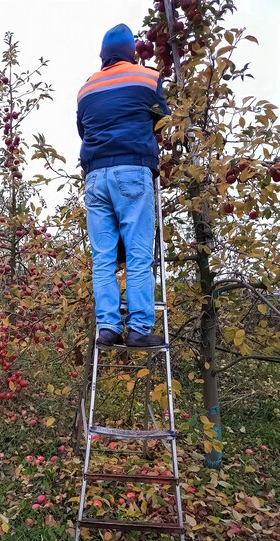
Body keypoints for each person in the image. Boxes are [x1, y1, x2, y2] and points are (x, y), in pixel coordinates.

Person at [77, 23, 170, 347]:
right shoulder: (147, 78)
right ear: (132, 51)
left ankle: (108, 327)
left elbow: (83, 130)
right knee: (138, 253)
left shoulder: (86, 88)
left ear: (103, 56)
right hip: (131, 171)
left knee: (103, 257)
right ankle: (140, 329)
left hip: (95, 176)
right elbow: (163, 120)